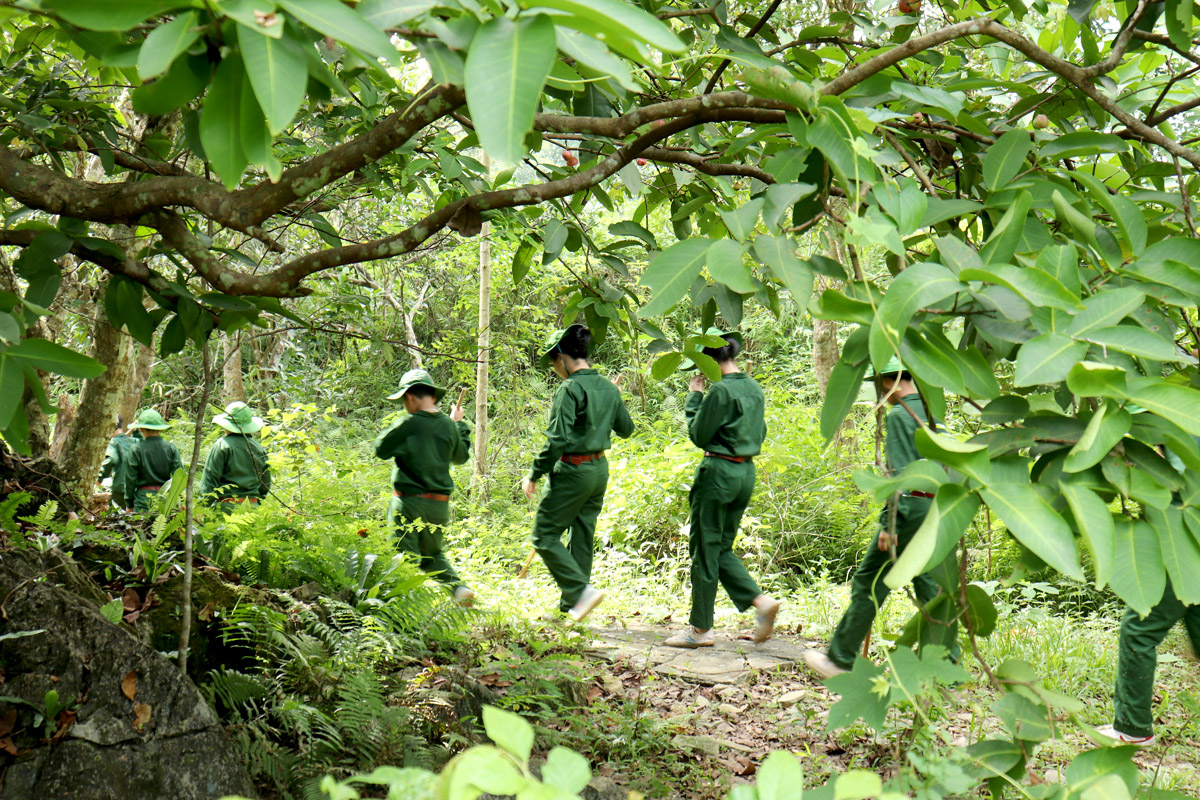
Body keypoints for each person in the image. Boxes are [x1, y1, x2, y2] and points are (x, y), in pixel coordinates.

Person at [803, 358, 957, 678]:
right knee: (929, 585)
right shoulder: (933, 414)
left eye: (880, 384)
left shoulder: (900, 415)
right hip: (938, 510)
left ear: (889, 382)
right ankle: (949, 668)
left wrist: (891, 526)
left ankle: (840, 659)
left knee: (870, 581)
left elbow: (898, 477)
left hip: (910, 510)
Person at [665, 329, 780, 648]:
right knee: (720, 548)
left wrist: (694, 397)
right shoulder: (753, 388)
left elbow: (699, 434)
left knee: (704, 548)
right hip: (745, 472)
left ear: (710, 361)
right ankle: (760, 602)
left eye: (701, 365)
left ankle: (700, 631)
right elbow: (762, 430)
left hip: (718, 473)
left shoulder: (720, 392)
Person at [522, 324, 633, 622]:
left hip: (574, 469)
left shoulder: (569, 389)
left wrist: (534, 473)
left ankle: (580, 591)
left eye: (553, 362)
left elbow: (557, 440)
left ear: (562, 356)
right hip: (599, 470)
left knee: (544, 535)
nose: (554, 369)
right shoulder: (608, 387)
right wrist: (615, 397)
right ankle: (572, 608)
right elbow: (627, 429)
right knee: (582, 535)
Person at [374, 368, 474, 606]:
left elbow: (381, 449)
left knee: (402, 557)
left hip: (408, 502)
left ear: (409, 396)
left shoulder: (408, 423)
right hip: (438, 506)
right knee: (432, 556)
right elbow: (461, 457)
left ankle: (400, 609)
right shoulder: (448, 426)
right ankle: (459, 589)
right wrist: (457, 425)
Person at [200, 401, 271, 512]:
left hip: (225, 509)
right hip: (252, 509)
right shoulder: (259, 449)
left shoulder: (222, 446)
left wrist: (201, 508)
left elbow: (210, 481)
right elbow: (265, 484)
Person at [123, 409, 184, 512]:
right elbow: (180, 476)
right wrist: (182, 500)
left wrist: (129, 503)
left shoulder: (136, 450)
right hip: (166, 498)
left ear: (141, 429)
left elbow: (130, 479)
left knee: (140, 527)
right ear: (160, 429)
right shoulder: (171, 448)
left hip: (143, 500)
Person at [98, 415, 135, 509]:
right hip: (138, 488)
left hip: (120, 489)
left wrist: (99, 478)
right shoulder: (135, 441)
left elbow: (111, 460)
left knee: (118, 518)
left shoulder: (113, 443)